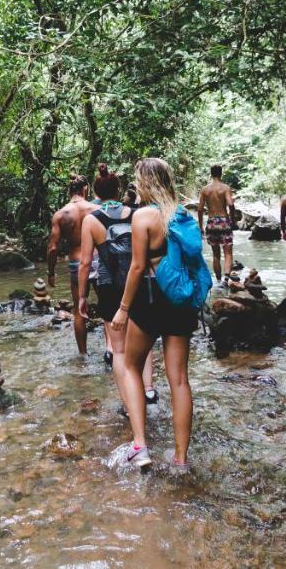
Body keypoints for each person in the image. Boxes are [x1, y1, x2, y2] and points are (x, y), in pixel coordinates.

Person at [110, 157, 199, 470]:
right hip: (181, 298)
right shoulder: (183, 214)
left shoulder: (143, 216)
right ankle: (180, 459)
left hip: (151, 297)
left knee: (132, 366)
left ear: (145, 182)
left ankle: (141, 446)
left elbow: (136, 266)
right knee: (179, 380)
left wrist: (122, 309)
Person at [77, 164, 156, 407]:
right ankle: (150, 389)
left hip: (110, 286)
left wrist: (82, 296)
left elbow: (86, 262)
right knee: (145, 340)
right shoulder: (138, 214)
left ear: (96, 193)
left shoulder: (91, 220)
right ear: (118, 189)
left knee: (120, 350)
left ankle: (130, 405)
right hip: (141, 283)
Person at [46, 174, 98, 355]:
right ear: (85, 189)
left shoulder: (61, 214)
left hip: (76, 262)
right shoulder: (96, 209)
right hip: (98, 260)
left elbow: (52, 248)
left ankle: (83, 354)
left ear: (70, 191)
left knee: (78, 311)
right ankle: (113, 350)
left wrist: (50, 272)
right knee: (109, 306)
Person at [198, 164, 237, 279]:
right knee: (228, 253)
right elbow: (231, 204)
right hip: (224, 221)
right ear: (221, 173)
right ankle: (226, 279)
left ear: (211, 174)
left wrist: (200, 226)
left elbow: (200, 209)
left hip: (211, 222)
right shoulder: (225, 188)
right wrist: (232, 220)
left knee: (216, 255)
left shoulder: (205, 189)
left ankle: (218, 281)